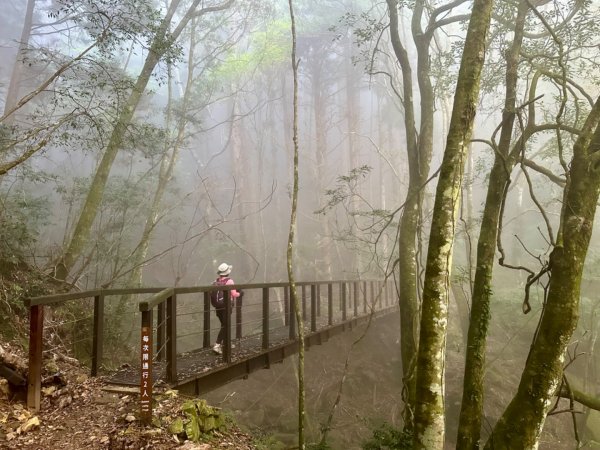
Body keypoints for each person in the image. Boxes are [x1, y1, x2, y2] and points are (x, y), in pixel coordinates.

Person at [212, 263, 241, 354]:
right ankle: (217, 345)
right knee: (225, 325)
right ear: (228, 272)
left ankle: (226, 343)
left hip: (218, 306)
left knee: (224, 324)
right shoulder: (230, 281)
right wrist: (240, 293)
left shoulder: (215, 281)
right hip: (227, 306)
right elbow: (234, 294)